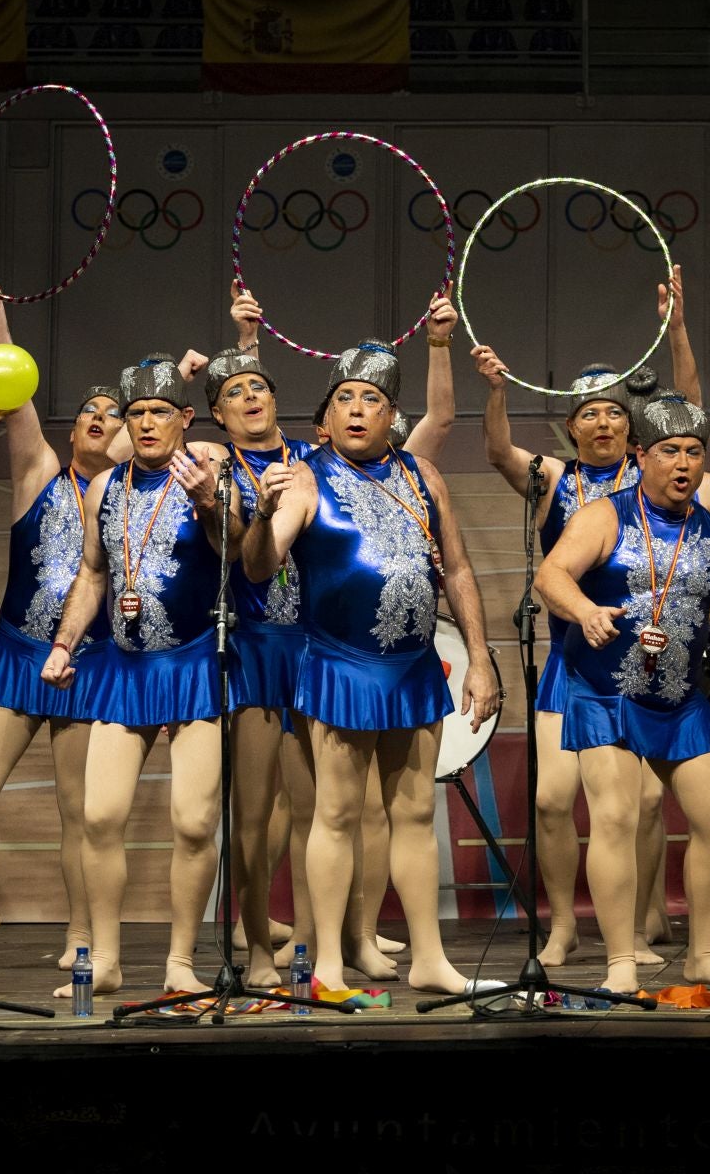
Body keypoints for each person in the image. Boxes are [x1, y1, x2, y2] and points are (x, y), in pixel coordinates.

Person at [468, 279, 710, 967]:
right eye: (588, 413)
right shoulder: (556, 479)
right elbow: (498, 452)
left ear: (633, 429)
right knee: (556, 801)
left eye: (615, 413)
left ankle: (646, 921)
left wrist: (677, 329)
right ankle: (562, 925)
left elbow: (690, 414)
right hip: (574, 661)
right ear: (572, 426)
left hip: (652, 667)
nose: (602, 423)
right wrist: (496, 392)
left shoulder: (658, 472)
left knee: (644, 804)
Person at [244, 340, 501, 995]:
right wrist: (264, 516)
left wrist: (481, 660)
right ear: (326, 418)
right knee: (335, 815)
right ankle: (328, 959)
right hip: (339, 667)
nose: (358, 409)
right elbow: (257, 565)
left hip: (413, 669)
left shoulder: (423, 475)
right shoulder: (305, 478)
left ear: (392, 414)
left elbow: (460, 570)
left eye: (373, 400)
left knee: (414, 814)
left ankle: (432, 959)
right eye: (345, 400)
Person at [535, 385, 710, 995]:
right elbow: (550, 575)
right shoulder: (605, 515)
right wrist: (586, 611)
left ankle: (700, 954)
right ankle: (620, 960)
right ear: (642, 455)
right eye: (670, 450)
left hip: (681, 696)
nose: (683, 463)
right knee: (614, 816)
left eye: (694, 451)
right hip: (605, 692)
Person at [42, 353, 238, 998]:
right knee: (98, 817)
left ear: (184, 417)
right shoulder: (104, 487)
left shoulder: (213, 471)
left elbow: (240, 550)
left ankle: (180, 960)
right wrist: (65, 643)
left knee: (192, 822)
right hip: (125, 669)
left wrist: (209, 501)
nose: (148, 423)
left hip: (192, 665)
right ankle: (105, 958)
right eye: (137, 414)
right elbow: (93, 575)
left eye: (159, 411)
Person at [0, 269, 125, 972]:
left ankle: (81, 931)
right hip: (20, 653)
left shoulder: (125, 493)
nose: (100, 419)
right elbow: (12, 389)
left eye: (113, 414)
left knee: (78, 811)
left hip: (89, 658)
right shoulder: (38, 473)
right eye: (90, 411)